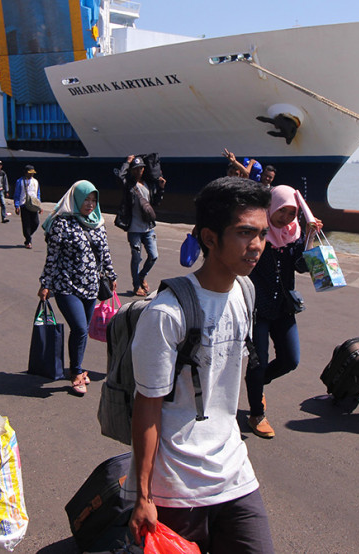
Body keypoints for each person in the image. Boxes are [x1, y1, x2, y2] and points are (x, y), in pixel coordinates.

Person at [125, 177, 275, 553]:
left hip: (234, 472)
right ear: (209, 238)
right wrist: (143, 496)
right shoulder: (166, 313)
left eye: (261, 233)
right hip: (176, 486)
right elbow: (147, 407)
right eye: (244, 233)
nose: (256, 245)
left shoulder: (246, 291)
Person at [245, 185, 321, 439]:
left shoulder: (294, 234)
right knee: (259, 361)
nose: (286, 218)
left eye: (292, 213)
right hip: (257, 307)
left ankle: (257, 384)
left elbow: (301, 266)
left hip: (283, 307)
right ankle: (257, 413)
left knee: (291, 359)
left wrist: (309, 236)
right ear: (271, 206)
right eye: (282, 211)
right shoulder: (257, 233)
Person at [38, 180, 117, 396]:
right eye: (86, 199)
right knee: (81, 328)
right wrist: (45, 283)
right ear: (76, 199)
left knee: (81, 331)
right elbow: (52, 257)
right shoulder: (61, 224)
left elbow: (105, 252)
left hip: (91, 286)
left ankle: (78, 366)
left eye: (94, 200)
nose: (90, 204)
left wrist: (111, 274)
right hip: (66, 285)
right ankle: (76, 373)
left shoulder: (97, 222)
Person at [123, 156, 158, 297]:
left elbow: (154, 202)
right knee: (136, 257)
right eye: (136, 169)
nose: (139, 171)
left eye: (141, 168)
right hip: (134, 229)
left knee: (154, 256)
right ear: (131, 171)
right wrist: (127, 162)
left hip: (148, 228)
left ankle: (142, 276)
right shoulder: (129, 185)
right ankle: (136, 285)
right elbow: (121, 176)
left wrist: (161, 188)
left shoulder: (148, 184)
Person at [13, 164, 42, 248]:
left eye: (32, 173)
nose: (31, 174)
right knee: (26, 224)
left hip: (34, 205)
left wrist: (40, 206)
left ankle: (28, 235)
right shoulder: (20, 181)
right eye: (30, 173)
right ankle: (28, 241)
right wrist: (17, 205)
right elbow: (17, 194)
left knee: (36, 223)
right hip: (24, 204)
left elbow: (38, 194)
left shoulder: (36, 181)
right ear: (26, 173)